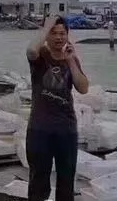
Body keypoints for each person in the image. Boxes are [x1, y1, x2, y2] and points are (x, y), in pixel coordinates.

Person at [25, 14, 89, 201]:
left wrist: (71, 61)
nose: (59, 37)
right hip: (39, 129)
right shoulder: (41, 56)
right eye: (54, 33)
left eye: (63, 33)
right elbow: (30, 51)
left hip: (66, 129)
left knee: (66, 181)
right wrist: (46, 26)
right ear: (47, 36)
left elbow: (83, 88)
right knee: (38, 182)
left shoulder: (71, 59)